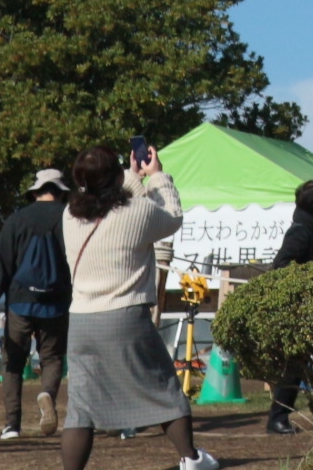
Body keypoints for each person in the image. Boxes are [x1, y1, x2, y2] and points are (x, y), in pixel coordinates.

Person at [57, 145, 214, 470]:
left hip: (82, 320)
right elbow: (172, 217)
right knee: (163, 386)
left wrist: (130, 175)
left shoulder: (70, 214)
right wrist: (157, 176)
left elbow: (110, 200)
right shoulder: (138, 211)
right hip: (125, 314)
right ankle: (190, 458)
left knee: (80, 407)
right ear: (115, 177)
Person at [0, 170, 75, 441]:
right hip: (56, 303)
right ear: (61, 192)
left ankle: (12, 425)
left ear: (35, 192)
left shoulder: (16, 220)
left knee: (13, 362)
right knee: (52, 358)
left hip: (20, 303)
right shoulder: (70, 219)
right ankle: (47, 395)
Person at [261, 178, 313, 435]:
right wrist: (311, 279)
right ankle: (278, 417)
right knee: (294, 364)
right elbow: (282, 264)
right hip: (303, 307)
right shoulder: (301, 230)